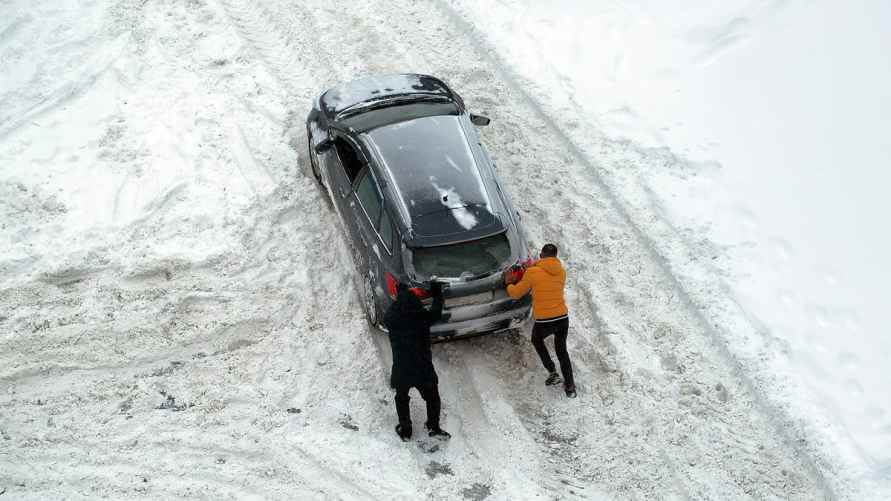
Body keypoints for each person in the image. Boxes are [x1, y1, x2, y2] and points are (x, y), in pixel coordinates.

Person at [505, 243, 576, 398]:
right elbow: (546, 273)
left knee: (537, 340)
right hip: (562, 317)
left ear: (542, 254)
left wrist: (509, 283)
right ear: (555, 256)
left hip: (545, 320)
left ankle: (552, 372)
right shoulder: (561, 272)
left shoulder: (532, 272)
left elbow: (516, 294)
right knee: (562, 351)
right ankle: (570, 387)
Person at [384, 280, 451, 441]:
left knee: (401, 397)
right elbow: (436, 312)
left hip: (402, 369)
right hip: (422, 368)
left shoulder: (392, 318)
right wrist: (437, 293)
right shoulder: (421, 316)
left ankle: (406, 429)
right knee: (432, 397)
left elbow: (387, 317)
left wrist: (399, 297)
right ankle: (433, 427)